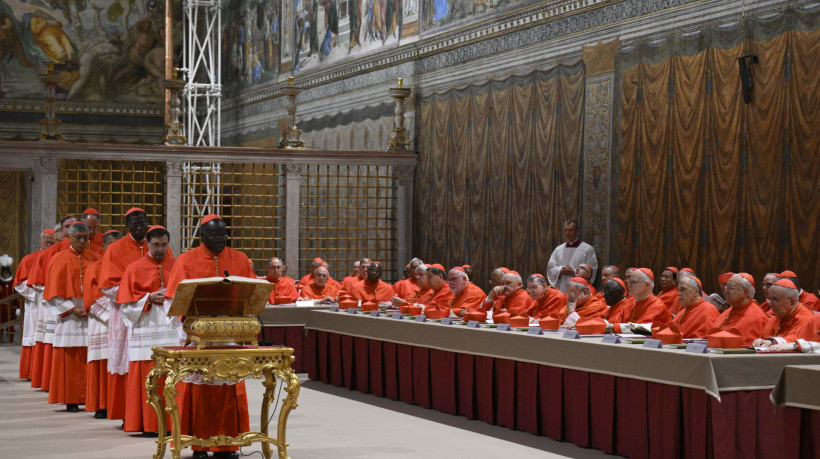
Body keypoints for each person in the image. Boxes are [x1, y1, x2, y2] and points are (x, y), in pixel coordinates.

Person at [164, 214, 255, 459]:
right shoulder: (186, 259)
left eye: (223, 236)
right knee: (200, 388)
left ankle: (228, 444)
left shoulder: (239, 258)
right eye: (214, 237)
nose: (220, 241)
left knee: (229, 384)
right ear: (202, 236)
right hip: (199, 335)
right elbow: (174, 301)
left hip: (230, 333)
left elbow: (252, 294)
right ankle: (200, 444)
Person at [118, 226, 179, 435]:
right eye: (156, 245)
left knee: (172, 374)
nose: (160, 249)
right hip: (145, 326)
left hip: (171, 328)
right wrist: (148, 297)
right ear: (147, 244)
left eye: (164, 245)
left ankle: (172, 424)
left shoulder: (177, 266)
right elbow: (125, 306)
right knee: (147, 375)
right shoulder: (134, 269)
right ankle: (147, 424)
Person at [98, 207, 156, 421]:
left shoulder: (157, 246)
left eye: (143, 224)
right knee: (126, 359)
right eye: (135, 225)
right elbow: (107, 286)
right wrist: (139, 297)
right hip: (125, 313)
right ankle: (127, 413)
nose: (140, 229)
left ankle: (152, 410)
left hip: (153, 316)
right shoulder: (115, 249)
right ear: (127, 227)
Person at [44, 222, 101, 411]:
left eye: (86, 237)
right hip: (69, 315)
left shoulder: (96, 259)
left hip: (91, 314)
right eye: (79, 237)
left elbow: (102, 289)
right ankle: (71, 399)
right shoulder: (58, 259)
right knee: (70, 360)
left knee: (89, 357)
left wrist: (92, 306)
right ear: (69, 237)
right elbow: (52, 293)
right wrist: (71, 309)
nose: (83, 241)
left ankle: (88, 397)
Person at [83, 230, 122, 419]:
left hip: (124, 320)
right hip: (103, 321)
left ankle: (117, 404)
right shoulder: (94, 266)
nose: (115, 249)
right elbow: (91, 296)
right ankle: (101, 404)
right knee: (101, 361)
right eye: (111, 245)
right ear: (105, 246)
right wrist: (114, 313)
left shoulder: (126, 266)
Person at [15, 228, 55, 380]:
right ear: (40, 241)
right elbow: (19, 284)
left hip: (50, 302)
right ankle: (30, 372)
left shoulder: (55, 257)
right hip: (35, 303)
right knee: (33, 333)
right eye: (47, 242)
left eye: (52, 243)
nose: (49, 245)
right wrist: (36, 293)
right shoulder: (29, 259)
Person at [710, 273, 767, 346]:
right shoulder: (728, 311)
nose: (726, 292)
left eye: (731, 288)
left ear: (745, 292)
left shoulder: (756, 317)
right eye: (726, 287)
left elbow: (748, 348)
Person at [753, 278, 813, 346]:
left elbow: (798, 341)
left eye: (775, 300)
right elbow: (763, 338)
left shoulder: (807, 319)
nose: (771, 304)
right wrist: (759, 341)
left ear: (791, 302)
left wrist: (772, 342)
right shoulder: (777, 317)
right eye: (770, 299)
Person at [612, 268, 671, 333]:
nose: (629, 285)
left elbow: (640, 328)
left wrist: (613, 327)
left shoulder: (657, 306)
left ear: (647, 285)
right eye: (629, 282)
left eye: (634, 282)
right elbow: (615, 321)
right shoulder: (630, 304)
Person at [546, 220, 598, 293]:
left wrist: (573, 271)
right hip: (561, 288)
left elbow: (592, 270)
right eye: (565, 230)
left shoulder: (587, 249)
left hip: (578, 290)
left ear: (577, 231)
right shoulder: (558, 249)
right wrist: (560, 270)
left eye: (570, 230)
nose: (567, 233)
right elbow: (550, 268)